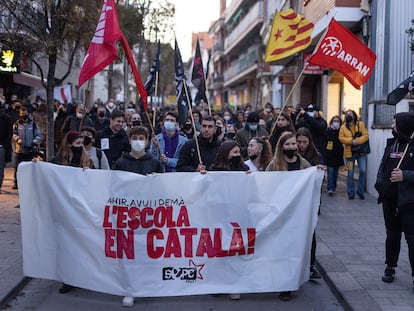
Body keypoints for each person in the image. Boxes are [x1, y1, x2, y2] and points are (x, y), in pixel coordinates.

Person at [265, 131, 311, 301]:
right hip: (280, 214)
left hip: (297, 214)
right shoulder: (274, 164)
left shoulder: (303, 163)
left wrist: (318, 171)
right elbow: (266, 186)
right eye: (288, 144)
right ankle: (283, 284)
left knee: (294, 249)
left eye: (294, 144)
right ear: (281, 146)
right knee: (282, 250)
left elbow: (312, 181)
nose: (291, 147)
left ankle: (290, 283)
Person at [50, 130, 93, 294]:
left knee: (81, 245)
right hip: (64, 210)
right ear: (68, 144)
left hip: (81, 210)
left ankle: (81, 276)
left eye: (82, 144)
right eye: (77, 144)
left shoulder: (88, 161)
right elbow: (49, 174)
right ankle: (68, 279)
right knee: (66, 247)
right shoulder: (58, 161)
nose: (80, 146)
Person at [375, 112, 414, 289]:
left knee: (411, 240)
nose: (392, 126)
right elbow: (383, 166)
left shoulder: (412, 146)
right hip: (390, 199)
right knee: (392, 235)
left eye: (394, 123)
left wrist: (404, 175)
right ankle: (390, 266)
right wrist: (380, 185)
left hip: (408, 202)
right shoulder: (392, 144)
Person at [296, 127, 325, 281]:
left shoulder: (316, 156)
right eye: (298, 142)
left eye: (304, 142)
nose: (301, 145)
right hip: (294, 202)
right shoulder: (290, 155)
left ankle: (311, 265)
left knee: (310, 232)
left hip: (310, 200)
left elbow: (320, 181)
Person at [339, 110, 369, 200]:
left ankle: (360, 191)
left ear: (354, 115)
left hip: (361, 152)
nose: (349, 116)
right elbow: (341, 138)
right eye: (348, 115)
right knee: (350, 173)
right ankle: (351, 192)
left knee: (363, 171)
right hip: (349, 154)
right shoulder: (343, 127)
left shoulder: (360, 124)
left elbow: (366, 135)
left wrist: (357, 141)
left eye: (351, 114)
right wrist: (351, 141)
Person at [12, 106, 41, 189]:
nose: (23, 115)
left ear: (28, 114)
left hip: (30, 149)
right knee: (17, 167)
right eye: (22, 113)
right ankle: (16, 182)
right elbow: (13, 134)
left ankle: (30, 182)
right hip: (19, 150)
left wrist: (34, 142)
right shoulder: (17, 124)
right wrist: (18, 139)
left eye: (25, 113)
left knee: (30, 167)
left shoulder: (33, 124)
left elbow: (38, 135)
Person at [325, 116, 344, 196]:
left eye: (337, 121)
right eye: (334, 121)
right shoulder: (328, 130)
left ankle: (334, 187)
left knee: (336, 173)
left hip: (338, 155)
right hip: (329, 155)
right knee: (330, 172)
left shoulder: (342, 131)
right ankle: (330, 188)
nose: (336, 122)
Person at [0, 104, 12, 193]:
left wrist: (3, 145)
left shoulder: (6, 118)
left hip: (2, 146)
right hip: (2, 146)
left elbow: (9, 133)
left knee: (0, 167)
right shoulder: (7, 118)